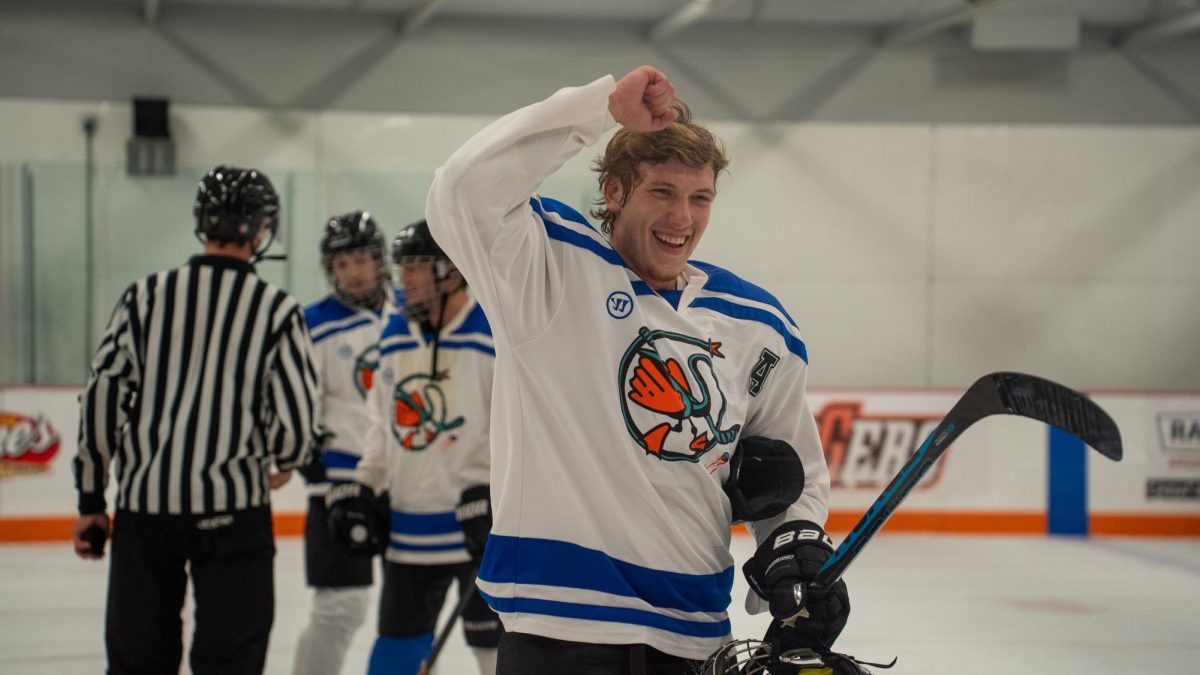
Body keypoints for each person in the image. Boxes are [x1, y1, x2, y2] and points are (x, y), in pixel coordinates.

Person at [425, 66, 850, 674]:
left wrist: (794, 544)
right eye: (662, 192)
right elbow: (460, 189)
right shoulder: (547, 268)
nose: (683, 217)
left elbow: (793, 472)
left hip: (695, 631)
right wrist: (598, 109)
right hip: (559, 626)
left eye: (699, 197)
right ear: (616, 192)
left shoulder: (759, 324)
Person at [72, 165, 319, 675]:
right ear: (259, 228)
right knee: (231, 661)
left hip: (146, 513)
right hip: (235, 515)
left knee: (138, 661)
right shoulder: (275, 309)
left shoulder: (145, 296)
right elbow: (296, 421)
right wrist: (285, 458)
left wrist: (92, 500)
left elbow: (102, 396)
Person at [325, 219, 502, 675]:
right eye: (403, 269)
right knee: (393, 659)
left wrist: (496, 497)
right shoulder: (395, 334)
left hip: (477, 535)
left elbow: (519, 434)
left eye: (417, 268)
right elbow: (382, 427)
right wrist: (363, 484)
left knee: (496, 656)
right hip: (408, 533)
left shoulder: (493, 336)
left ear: (450, 270)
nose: (405, 281)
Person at [293, 211, 400, 675]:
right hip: (340, 487)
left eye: (360, 258)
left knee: (411, 609)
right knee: (340, 609)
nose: (353, 271)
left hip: (410, 486)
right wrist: (311, 466)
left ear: (379, 260)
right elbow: (295, 409)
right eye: (341, 263)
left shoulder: (412, 312)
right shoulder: (312, 324)